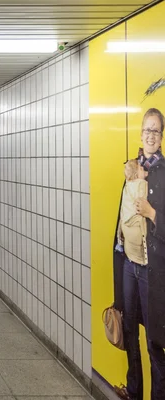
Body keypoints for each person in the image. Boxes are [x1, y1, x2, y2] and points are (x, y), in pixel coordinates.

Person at [113, 108, 165, 400]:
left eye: (155, 130)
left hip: (152, 269)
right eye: (146, 129)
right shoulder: (131, 168)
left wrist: (152, 213)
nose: (150, 135)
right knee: (130, 330)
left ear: (161, 136)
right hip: (129, 263)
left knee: (154, 341)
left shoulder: (164, 172)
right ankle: (134, 392)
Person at [116, 159, 148, 265]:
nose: (143, 168)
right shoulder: (142, 184)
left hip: (128, 244)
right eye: (140, 168)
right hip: (139, 243)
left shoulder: (127, 186)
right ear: (136, 173)